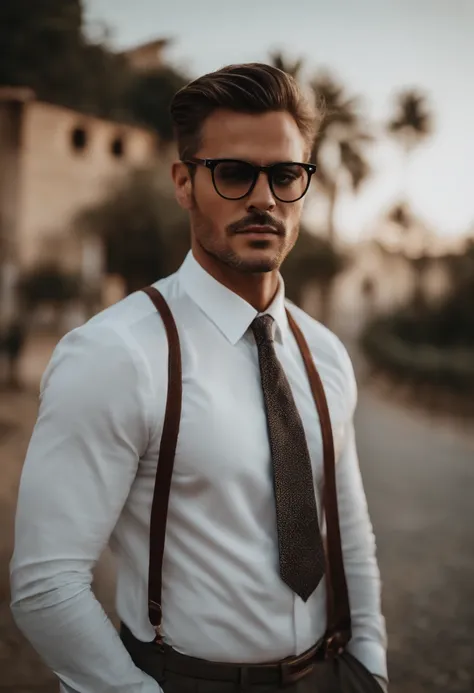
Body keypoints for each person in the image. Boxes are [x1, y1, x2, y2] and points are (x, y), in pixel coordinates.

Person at [10, 63, 388, 693]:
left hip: (328, 673)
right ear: (184, 182)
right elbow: (46, 583)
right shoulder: (116, 354)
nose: (264, 199)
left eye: (286, 175)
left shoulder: (325, 353)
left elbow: (348, 530)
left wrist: (369, 665)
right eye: (234, 173)